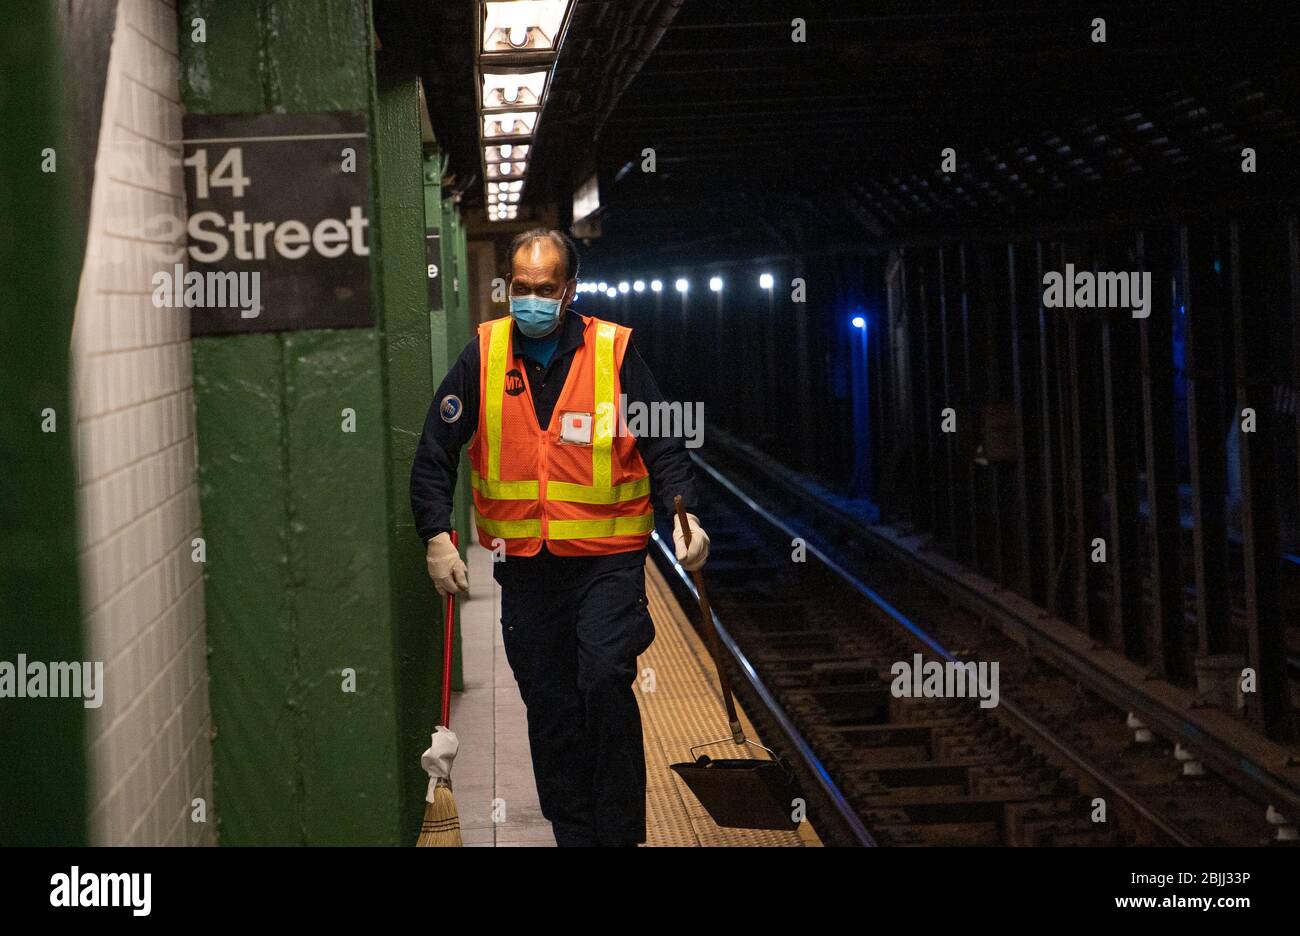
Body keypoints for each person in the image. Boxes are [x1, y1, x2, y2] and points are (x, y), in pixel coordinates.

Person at [410, 228, 709, 847]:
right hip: (526, 570)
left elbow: (663, 443)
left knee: (603, 681)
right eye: (521, 288)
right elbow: (435, 451)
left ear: (569, 290)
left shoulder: (613, 353)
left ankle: (620, 835)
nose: (531, 300)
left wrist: (687, 515)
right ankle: (575, 835)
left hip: (607, 565)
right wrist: (436, 533)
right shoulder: (484, 356)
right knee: (550, 708)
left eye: (545, 289)